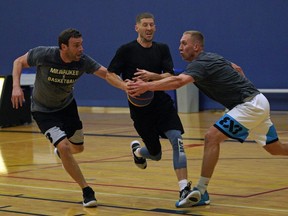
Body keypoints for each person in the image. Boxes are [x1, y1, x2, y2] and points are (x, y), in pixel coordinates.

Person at [127, 30, 288, 207]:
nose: (180, 48)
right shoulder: (212, 58)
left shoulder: (200, 64)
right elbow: (237, 69)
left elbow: (178, 82)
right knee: (275, 148)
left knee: (212, 137)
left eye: (184, 43)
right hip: (256, 102)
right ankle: (201, 192)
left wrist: (147, 86)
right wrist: (154, 77)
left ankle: (202, 191)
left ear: (196, 46)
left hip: (248, 105)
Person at [106, 13, 201, 207]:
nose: (149, 28)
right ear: (137, 28)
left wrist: (152, 76)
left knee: (177, 140)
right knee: (155, 154)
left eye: (152, 25)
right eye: (145, 25)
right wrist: (124, 86)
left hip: (162, 104)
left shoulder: (162, 49)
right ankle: (139, 152)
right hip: (140, 109)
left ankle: (184, 188)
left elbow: (168, 74)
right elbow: (110, 74)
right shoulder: (126, 50)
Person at [11, 28, 109, 207]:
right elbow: (18, 61)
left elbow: (106, 74)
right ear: (64, 47)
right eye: (76, 45)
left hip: (67, 107)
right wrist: (16, 87)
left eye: (81, 44)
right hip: (43, 111)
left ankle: (61, 152)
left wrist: (127, 88)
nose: (81, 49)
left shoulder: (83, 61)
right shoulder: (44, 54)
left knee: (77, 149)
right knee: (64, 146)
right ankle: (87, 191)